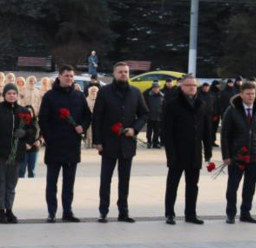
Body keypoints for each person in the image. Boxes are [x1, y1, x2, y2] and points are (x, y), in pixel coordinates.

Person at [92, 62, 148, 223]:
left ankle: (123, 211)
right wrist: (97, 141)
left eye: (126, 72)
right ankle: (103, 211)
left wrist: (135, 129)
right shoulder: (105, 92)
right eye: (120, 72)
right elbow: (97, 117)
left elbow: (144, 114)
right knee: (106, 179)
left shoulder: (135, 92)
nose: (123, 74)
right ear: (114, 73)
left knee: (124, 179)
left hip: (127, 143)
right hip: (108, 142)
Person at [39, 66, 92, 223]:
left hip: (72, 145)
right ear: (59, 77)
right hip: (55, 145)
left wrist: (83, 126)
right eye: (66, 75)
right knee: (52, 182)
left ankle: (67, 211)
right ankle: (52, 212)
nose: (69, 78)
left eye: (71, 76)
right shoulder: (49, 96)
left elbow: (87, 116)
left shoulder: (79, 95)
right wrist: (50, 138)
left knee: (69, 182)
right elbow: (43, 119)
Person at [0, 83, 37, 224]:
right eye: (9, 93)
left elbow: (33, 129)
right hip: (0, 153)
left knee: (12, 183)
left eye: (14, 93)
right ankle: (1, 210)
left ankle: (9, 209)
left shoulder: (23, 111)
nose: (12, 96)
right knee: (1, 181)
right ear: (4, 95)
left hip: (16, 153)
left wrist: (25, 133)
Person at [161, 75, 211, 225]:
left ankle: (191, 214)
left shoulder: (201, 103)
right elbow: (167, 132)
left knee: (193, 185)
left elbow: (207, 129)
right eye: (189, 85)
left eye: (194, 85)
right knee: (173, 184)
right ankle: (169, 213)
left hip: (194, 151)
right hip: (177, 151)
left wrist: (208, 150)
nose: (192, 88)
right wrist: (170, 153)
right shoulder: (172, 104)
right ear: (181, 86)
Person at [221, 81, 256, 224]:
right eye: (247, 94)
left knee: (250, 186)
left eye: (253, 94)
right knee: (233, 186)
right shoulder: (232, 110)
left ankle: (245, 213)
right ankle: (230, 213)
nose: (250, 96)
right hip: (237, 155)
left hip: (255, 155)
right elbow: (225, 135)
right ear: (241, 95)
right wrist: (226, 155)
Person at [145, 82, 165, 149]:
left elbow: (164, 106)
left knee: (157, 131)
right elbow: (145, 106)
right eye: (154, 88)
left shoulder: (162, 96)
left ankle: (155, 143)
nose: (156, 89)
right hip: (150, 117)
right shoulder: (148, 96)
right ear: (152, 88)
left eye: (157, 88)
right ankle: (149, 142)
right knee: (149, 131)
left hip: (159, 117)